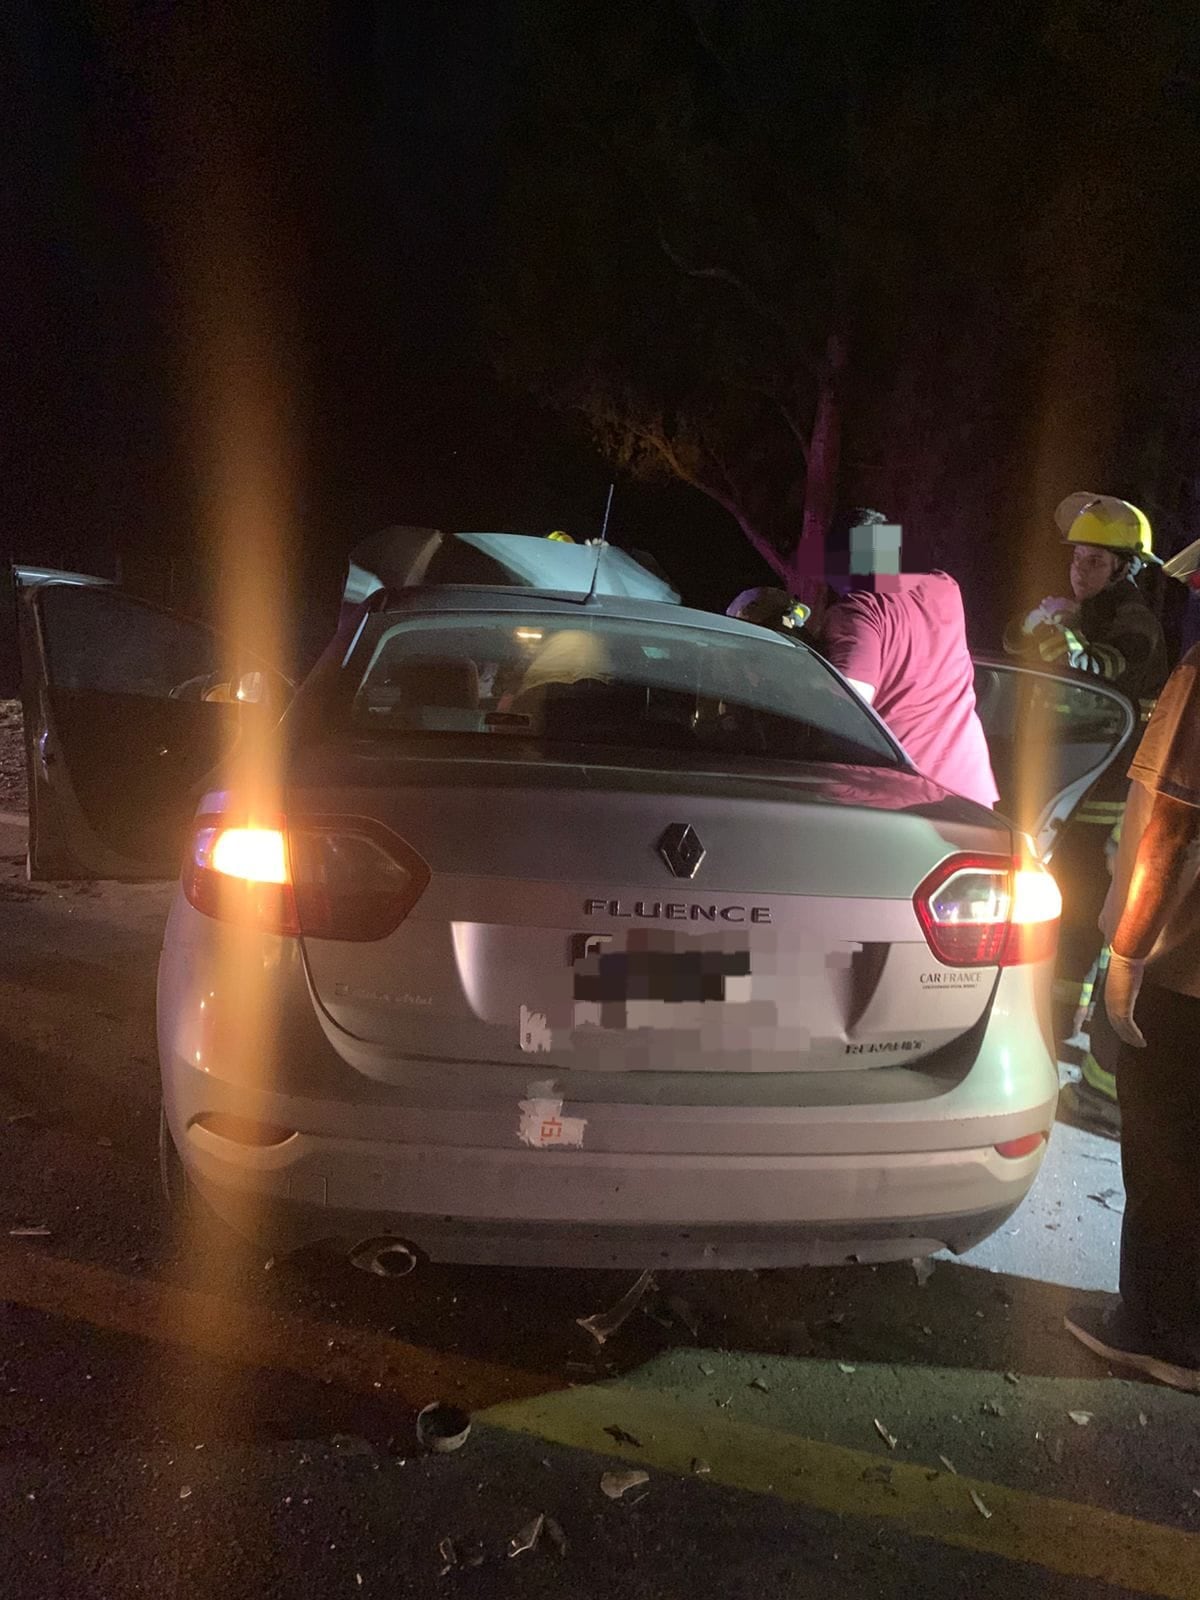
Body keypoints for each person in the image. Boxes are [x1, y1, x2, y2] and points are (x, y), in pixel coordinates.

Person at [1005, 495, 1169, 1129]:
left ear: (1125, 568)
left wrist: (1058, 631)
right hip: (1069, 785)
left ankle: (1058, 1034)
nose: (1079, 570)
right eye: (1076, 558)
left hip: (1104, 798)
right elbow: (1017, 645)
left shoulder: (1134, 623)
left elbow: (1095, 673)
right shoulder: (1087, 612)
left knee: (1078, 918)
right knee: (1064, 912)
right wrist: (1040, 622)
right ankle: (1053, 1025)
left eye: (1095, 561)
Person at [1063, 639, 1200, 1391]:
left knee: (1166, 1149)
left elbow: (1174, 822)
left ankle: (1159, 1332)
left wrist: (1128, 953)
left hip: (1186, 968)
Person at [815, 509, 999, 809]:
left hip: (896, 799)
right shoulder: (945, 587)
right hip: (968, 791)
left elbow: (849, 707)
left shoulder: (859, 612)